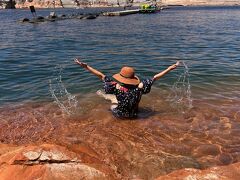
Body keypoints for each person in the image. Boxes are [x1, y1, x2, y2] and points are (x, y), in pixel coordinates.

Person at [75, 58, 179, 118]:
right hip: (134, 115)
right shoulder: (140, 87)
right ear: (133, 78)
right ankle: (107, 96)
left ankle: (103, 95)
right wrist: (169, 68)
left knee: (113, 102)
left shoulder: (116, 86)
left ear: (121, 78)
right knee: (118, 99)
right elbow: (155, 77)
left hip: (119, 115)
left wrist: (86, 66)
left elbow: (101, 76)